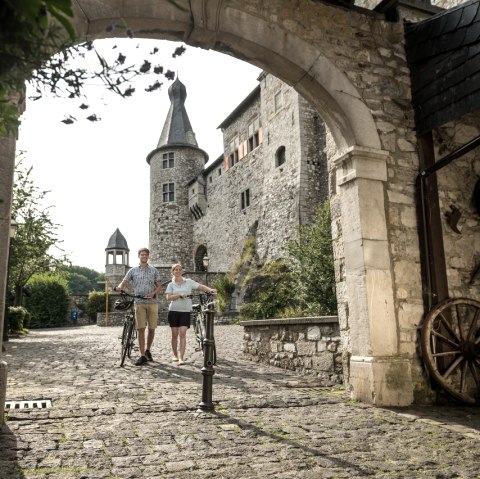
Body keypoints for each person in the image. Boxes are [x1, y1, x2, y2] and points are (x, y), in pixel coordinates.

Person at [115, 247, 162, 366]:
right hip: (139, 302)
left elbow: (159, 287)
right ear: (139, 256)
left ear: (148, 256)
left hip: (152, 303)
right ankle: (142, 355)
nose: (144, 256)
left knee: (152, 329)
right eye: (142, 254)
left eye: (146, 255)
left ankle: (147, 350)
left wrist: (153, 293)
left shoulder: (154, 271)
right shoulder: (133, 271)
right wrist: (120, 287)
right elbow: (124, 282)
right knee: (141, 329)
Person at [165, 263, 216, 365]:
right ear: (173, 272)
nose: (178, 271)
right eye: (176, 270)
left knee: (182, 333)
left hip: (185, 311)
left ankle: (181, 358)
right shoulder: (171, 285)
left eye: (180, 269)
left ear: (182, 271)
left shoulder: (188, 282)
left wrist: (210, 290)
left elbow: (200, 286)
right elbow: (168, 298)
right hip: (174, 311)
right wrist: (179, 295)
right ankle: (175, 355)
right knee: (174, 335)